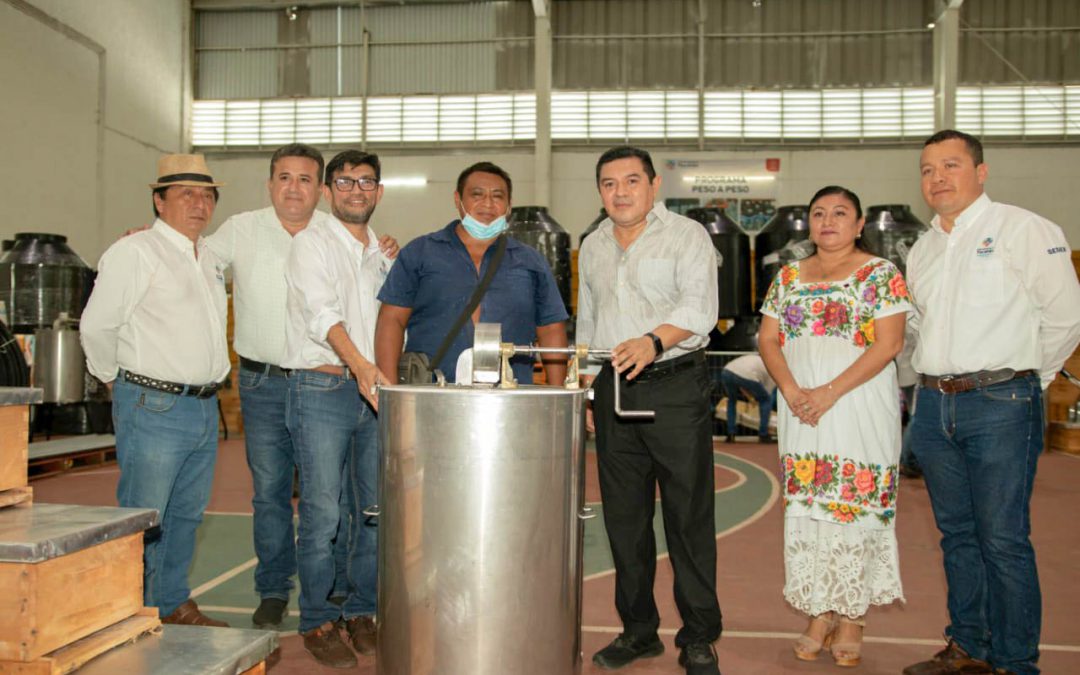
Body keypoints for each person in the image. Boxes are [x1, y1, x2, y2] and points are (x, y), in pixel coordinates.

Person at [902, 130, 1080, 675]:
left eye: (951, 166)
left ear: (981, 172)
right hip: (935, 406)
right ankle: (969, 646)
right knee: (956, 537)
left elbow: (1065, 316)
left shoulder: (1024, 230)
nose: (938, 178)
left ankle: (1016, 661)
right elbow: (916, 328)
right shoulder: (923, 248)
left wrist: (1028, 381)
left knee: (1002, 539)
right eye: (928, 169)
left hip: (1002, 401)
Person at [205, 144, 397, 629]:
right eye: (284, 178)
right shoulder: (243, 230)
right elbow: (193, 260)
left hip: (341, 384)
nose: (294, 187)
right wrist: (153, 239)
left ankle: (338, 595)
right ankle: (275, 590)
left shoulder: (364, 246)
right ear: (271, 184)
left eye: (305, 178)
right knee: (274, 493)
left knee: (346, 501)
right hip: (269, 379)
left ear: (319, 189)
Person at [577, 146, 722, 675]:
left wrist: (652, 342)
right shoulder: (591, 245)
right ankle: (638, 631)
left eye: (631, 181)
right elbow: (588, 323)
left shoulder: (687, 237)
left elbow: (700, 308)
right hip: (615, 389)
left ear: (653, 184)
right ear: (600, 191)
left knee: (688, 518)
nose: (620, 192)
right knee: (625, 521)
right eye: (609, 183)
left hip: (675, 387)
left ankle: (700, 636)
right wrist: (590, 387)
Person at [758, 185, 910, 668]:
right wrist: (794, 392)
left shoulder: (880, 274)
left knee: (854, 506)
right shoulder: (787, 277)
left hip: (857, 407)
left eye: (840, 213)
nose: (828, 221)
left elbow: (887, 345)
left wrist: (828, 393)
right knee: (811, 508)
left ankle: (852, 617)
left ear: (860, 223)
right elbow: (768, 339)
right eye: (819, 213)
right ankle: (819, 614)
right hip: (802, 410)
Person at [81, 154, 231, 627]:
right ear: (158, 200)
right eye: (185, 193)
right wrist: (113, 379)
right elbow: (97, 326)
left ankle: (170, 603)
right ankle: (129, 612)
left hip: (204, 407)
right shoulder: (135, 252)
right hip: (153, 403)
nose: (198, 202)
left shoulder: (208, 257)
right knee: (144, 519)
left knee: (185, 516)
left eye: (207, 194)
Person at [283, 150, 395, 669]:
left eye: (366, 181)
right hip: (323, 389)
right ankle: (316, 619)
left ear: (377, 190)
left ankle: (361, 609)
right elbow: (324, 314)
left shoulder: (383, 253)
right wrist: (362, 367)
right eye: (345, 181)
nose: (356, 190)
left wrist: (376, 376)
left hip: (375, 395)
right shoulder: (310, 243)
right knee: (325, 512)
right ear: (329, 191)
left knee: (372, 511)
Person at [375, 161, 568, 385]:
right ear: (458, 200)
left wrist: (558, 395)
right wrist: (389, 392)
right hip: (431, 394)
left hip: (512, 396)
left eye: (497, 196)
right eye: (477, 194)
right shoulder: (420, 253)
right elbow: (392, 320)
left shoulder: (530, 261)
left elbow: (551, 329)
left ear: (508, 205)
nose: (488, 203)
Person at [718, 353, 777, 443]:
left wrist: (751, 398)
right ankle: (763, 433)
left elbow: (741, 382)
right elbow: (767, 395)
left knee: (732, 400)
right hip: (746, 375)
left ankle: (731, 433)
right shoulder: (773, 372)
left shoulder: (755, 358)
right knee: (765, 400)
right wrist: (755, 399)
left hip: (727, 371)